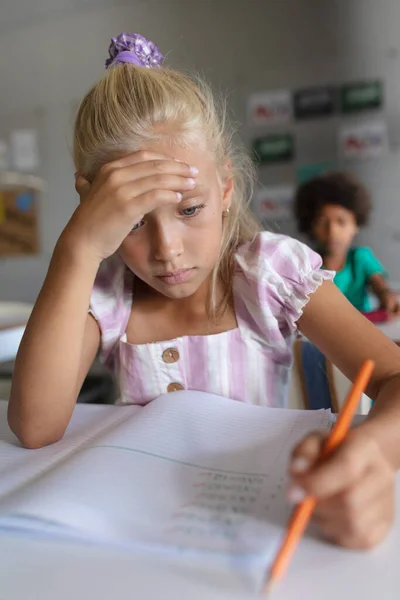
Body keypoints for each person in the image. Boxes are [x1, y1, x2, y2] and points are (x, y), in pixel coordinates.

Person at [8, 33, 400, 550]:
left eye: (189, 209)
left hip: (259, 524)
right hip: (138, 533)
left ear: (226, 189)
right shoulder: (107, 294)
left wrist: (371, 448)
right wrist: (77, 247)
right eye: (131, 221)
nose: (167, 250)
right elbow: (35, 427)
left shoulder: (269, 273)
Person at [294, 172, 399, 314]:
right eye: (322, 222)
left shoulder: (361, 258)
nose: (332, 231)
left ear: (356, 225)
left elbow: (379, 285)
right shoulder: (306, 266)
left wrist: (386, 295)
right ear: (310, 225)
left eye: (341, 222)